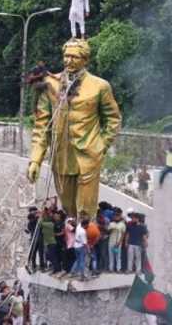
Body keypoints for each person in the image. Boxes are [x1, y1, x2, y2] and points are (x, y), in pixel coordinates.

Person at [27, 39, 121, 219]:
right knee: (69, 210)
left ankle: (85, 244)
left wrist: (101, 145)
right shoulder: (50, 84)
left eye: (74, 57)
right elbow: (41, 125)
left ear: (85, 60)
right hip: (61, 158)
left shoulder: (100, 86)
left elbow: (113, 119)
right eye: (66, 56)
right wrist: (35, 160)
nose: (68, 61)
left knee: (85, 212)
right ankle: (73, 245)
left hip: (89, 156)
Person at [26, 207, 45, 272]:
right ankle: (34, 266)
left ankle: (41, 266)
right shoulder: (31, 221)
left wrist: (39, 215)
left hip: (39, 238)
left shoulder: (38, 219)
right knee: (34, 253)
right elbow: (29, 229)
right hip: (34, 238)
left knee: (40, 253)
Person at [107, 208, 126, 273]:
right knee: (111, 256)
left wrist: (119, 242)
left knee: (118, 257)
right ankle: (111, 269)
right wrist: (111, 229)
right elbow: (108, 232)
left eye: (118, 216)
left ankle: (118, 269)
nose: (116, 217)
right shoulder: (111, 223)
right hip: (111, 242)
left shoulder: (122, 224)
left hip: (118, 243)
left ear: (120, 217)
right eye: (115, 216)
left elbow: (123, 234)